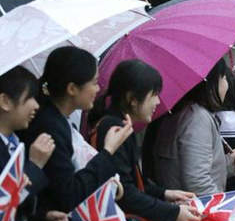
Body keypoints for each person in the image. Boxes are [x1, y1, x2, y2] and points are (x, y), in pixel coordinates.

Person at [17, 46, 133, 218]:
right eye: (94, 82)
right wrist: (108, 151)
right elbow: (69, 195)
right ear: (72, 89)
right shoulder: (49, 127)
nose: (98, 89)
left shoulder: (58, 120)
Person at [88, 59, 200, 221]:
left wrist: (165, 194)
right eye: (153, 95)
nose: (157, 102)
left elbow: (132, 184)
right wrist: (173, 212)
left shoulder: (117, 124)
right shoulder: (116, 130)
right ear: (132, 99)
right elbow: (124, 193)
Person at [148, 59, 235, 195]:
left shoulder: (182, 113)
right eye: (224, 78)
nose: (227, 85)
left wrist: (228, 164)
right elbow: (197, 183)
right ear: (211, 83)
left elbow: (190, 165)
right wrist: (221, 209)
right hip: (195, 211)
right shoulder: (197, 119)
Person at [0, 66, 54, 220]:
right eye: (30, 97)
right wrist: (35, 165)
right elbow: (5, 204)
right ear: (5, 101)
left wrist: (43, 216)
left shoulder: (16, 142)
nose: (36, 105)